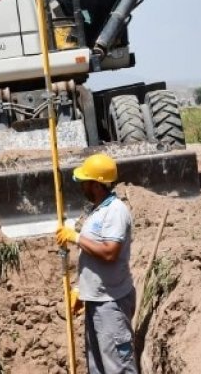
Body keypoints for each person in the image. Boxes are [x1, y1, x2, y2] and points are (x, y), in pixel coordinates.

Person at [56, 153, 137, 374]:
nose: (82, 187)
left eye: (85, 183)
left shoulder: (115, 212)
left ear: (97, 184)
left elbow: (110, 253)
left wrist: (76, 237)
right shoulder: (98, 210)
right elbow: (94, 260)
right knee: (98, 366)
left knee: (118, 367)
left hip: (111, 303)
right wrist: (82, 290)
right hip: (97, 300)